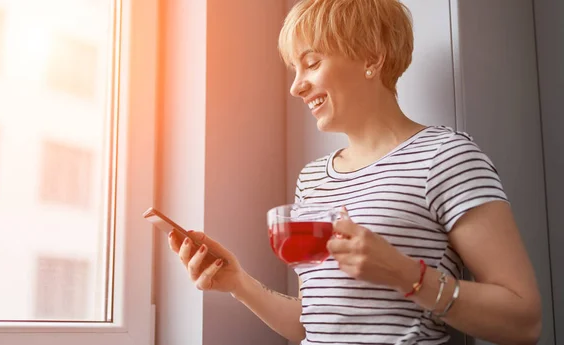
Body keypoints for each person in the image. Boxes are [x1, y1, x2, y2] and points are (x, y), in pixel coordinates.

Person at [167, 0, 543, 343]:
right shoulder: (312, 180)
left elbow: (524, 320)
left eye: (312, 63)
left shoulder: (446, 157)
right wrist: (237, 283)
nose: (297, 86)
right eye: (294, 69)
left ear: (371, 58)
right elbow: (312, 326)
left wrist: (403, 273)